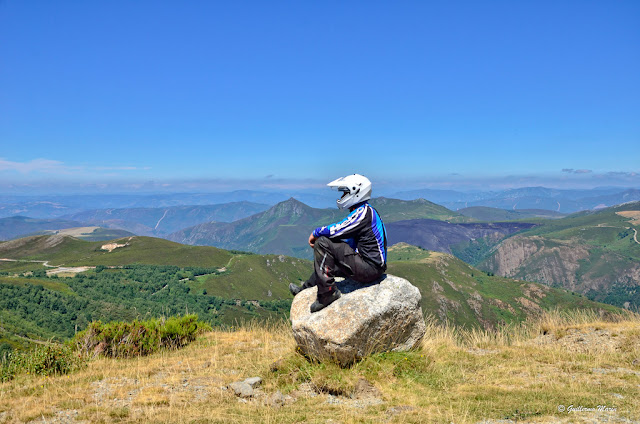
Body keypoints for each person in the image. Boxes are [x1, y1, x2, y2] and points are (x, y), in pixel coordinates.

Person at [289, 174, 388, 312]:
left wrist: (316, 233)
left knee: (323, 242)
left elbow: (339, 229)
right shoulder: (365, 211)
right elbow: (348, 240)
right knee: (328, 261)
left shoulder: (363, 213)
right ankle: (304, 290)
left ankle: (327, 294)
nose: (343, 196)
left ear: (356, 192)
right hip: (369, 266)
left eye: (346, 192)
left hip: (370, 268)